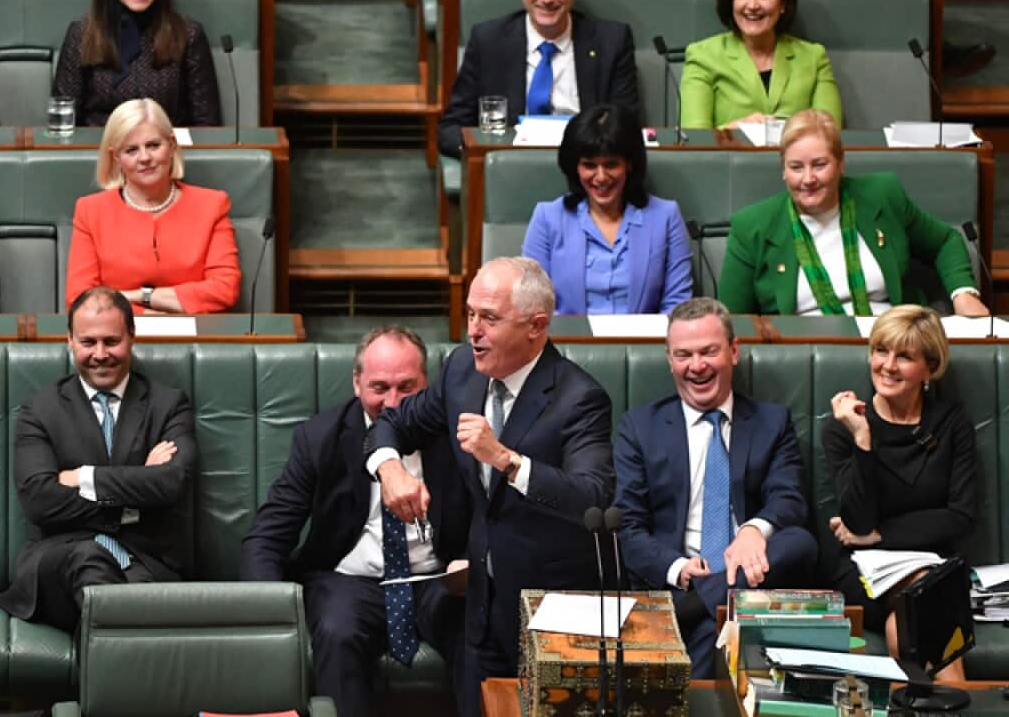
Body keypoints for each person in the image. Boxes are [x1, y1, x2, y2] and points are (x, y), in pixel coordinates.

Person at [366, 257, 615, 717]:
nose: (473, 331)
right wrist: (390, 469)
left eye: (489, 318)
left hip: (548, 613)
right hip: (480, 609)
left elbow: (592, 496)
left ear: (536, 326)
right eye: (470, 314)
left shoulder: (579, 398)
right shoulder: (463, 370)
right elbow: (393, 423)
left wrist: (505, 459)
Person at [241, 326, 469, 717]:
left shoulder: (455, 435)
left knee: (476, 626)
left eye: (407, 387)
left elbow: (490, 516)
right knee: (337, 631)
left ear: (426, 384)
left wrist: (470, 560)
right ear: (356, 383)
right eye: (379, 387)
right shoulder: (320, 437)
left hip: (436, 576)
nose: (392, 402)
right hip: (348, 581)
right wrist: (263, 609)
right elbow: (270, 532)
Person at [613, 297, 818, 678]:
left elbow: (789, 498)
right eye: (683, 355)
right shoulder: (639, 428)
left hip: (754, 571)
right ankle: (707, 603)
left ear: (734, 351)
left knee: (799, 543)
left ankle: (694, 609)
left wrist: (752, 532)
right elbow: (628, 526)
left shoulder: (771, 422)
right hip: (679, 580)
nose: (697, 366)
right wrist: (678, 568)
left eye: (708, 351)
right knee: (717, 624)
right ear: (669, 360)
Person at [0, 286, 197, 632]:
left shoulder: (168, 405)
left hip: (143, 562)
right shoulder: (39, 410)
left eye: (111, 341)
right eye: (88, 342)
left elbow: (172, 482)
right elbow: (39, 501)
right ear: (70, 341)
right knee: (89, 560)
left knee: (118, 597)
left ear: (132, 337)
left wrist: (83, 477)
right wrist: (136, 492)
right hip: (59, 561)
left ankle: (110, 655)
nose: (100, 354)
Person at [823, 305, 978, 680]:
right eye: (881, 351)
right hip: (862, 573)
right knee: (925, 599)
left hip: (933, 564)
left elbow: (960, 516)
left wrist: (880, 535)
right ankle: (956, 698)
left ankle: (910, 700)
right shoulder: (843, 427)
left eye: (904, 356)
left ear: (930, 367)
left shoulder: (951, 422)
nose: (888, 366)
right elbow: (858, 522)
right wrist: (863, 439)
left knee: (907, 617)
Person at [718, 109, 989, 318]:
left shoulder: (882, 195)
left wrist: (963, 294)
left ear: (840, 163)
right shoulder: (752, 226)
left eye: (820, 165)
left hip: (893, 344)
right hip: (806, 352)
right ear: (783, 170)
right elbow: (733, 322)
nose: (808, 179)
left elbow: (945, 241)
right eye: (796, 167)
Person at [65, 98, 240, 314]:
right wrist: (148, 316)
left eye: (153, 145)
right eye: (131, 150)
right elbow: (80, 298)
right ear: (116, 157)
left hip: (197, 332)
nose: (145, 157)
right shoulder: (90, 211)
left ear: (172, 145)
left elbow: (225, 289)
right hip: (118, 332)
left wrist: (139, 296)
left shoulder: (212, 205)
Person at [523, 104, 692, 315]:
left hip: (646, 336)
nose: (601, 177)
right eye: (589, 165)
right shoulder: (547, 218)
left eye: (611, 165)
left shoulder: (666, 217)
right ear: (575, 167)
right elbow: (534, 305)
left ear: (629, 164)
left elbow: (677, 305)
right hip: (567, 336)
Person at [438, 0, 639, 158]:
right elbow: (451, 127)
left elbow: (625, 124)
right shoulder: (488, 40)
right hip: (510, 166)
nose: (547, 0)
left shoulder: (612, 41)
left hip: (587, 166)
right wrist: (480, 155)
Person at [54, 0, 221, 127]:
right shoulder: (82, 34)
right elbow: (63, 118)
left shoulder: (188, 34)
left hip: (165, 152)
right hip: (100, 151)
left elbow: (207, 123)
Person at [680, 0, 841, 130]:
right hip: (730, 158)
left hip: (798, 158)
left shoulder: (813, 57)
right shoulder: (703, 55)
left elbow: (831, 134)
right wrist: (736, 129)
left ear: (783, 4)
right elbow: (694, 138)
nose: (752, 5)